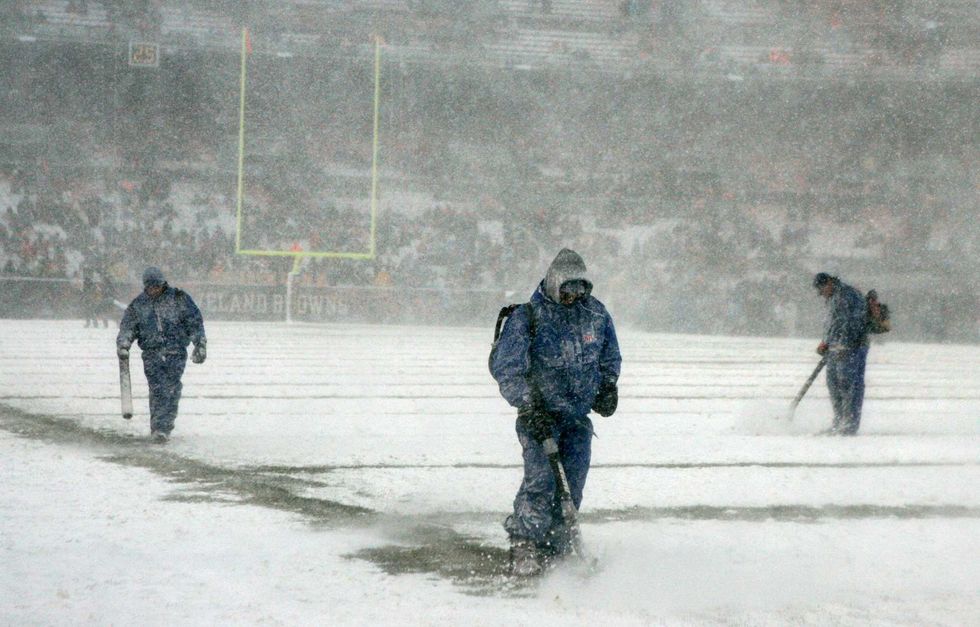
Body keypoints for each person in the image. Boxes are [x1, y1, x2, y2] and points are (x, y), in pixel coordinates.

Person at [490, 249, 622, 576]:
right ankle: (525, 542)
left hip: (577, 420)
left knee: (572, 486)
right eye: (567, 288)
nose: (573, 296)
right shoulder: (527, 317)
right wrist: (529, 406)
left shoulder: (596, 315)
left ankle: (558, 545)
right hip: (540, 420)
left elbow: (610, 356)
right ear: (553, 283)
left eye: (580, 289)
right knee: (542, 483)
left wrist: (607, 386)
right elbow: (507, 369)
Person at [117, 267, 207, 442]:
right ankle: (159, 427)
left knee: (171, 389)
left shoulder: (179, 299)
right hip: (152, 354)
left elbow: (194, 321)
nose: (154, 290)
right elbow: (127, 327)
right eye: (150, 286)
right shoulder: (139, 305)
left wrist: (200, 344)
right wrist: (123, 343)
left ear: (163, 284)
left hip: (176, 353)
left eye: (157, 286)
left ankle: (164, 425)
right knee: (158, 389)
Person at [813, 272, 868, 435]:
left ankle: (849, 425)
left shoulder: (847, 295)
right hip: (835, 348)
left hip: (852, 347)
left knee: (850, 386)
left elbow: (850, 322)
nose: (822, 295)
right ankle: (838, 422)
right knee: (834, 385)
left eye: (822, 290)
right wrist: (826, 342)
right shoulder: (833, 298)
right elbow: (832, 324)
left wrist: (842, 343)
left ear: (829, 283)